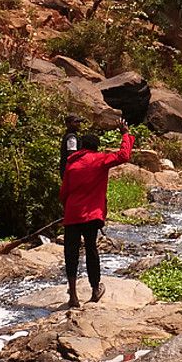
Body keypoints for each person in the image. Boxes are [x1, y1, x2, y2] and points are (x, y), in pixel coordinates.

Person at [59, 121, 135, 307]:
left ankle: (73, 296)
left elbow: (64, 193)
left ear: (82, 146)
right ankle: (94, 290)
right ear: (96, 147)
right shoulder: (100, 160)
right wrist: (125, 134)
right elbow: (124, 155)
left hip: (73, 213)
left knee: (71, 253)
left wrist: (67, 209)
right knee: (91, 250)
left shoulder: (72, 164)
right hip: (92, 214)